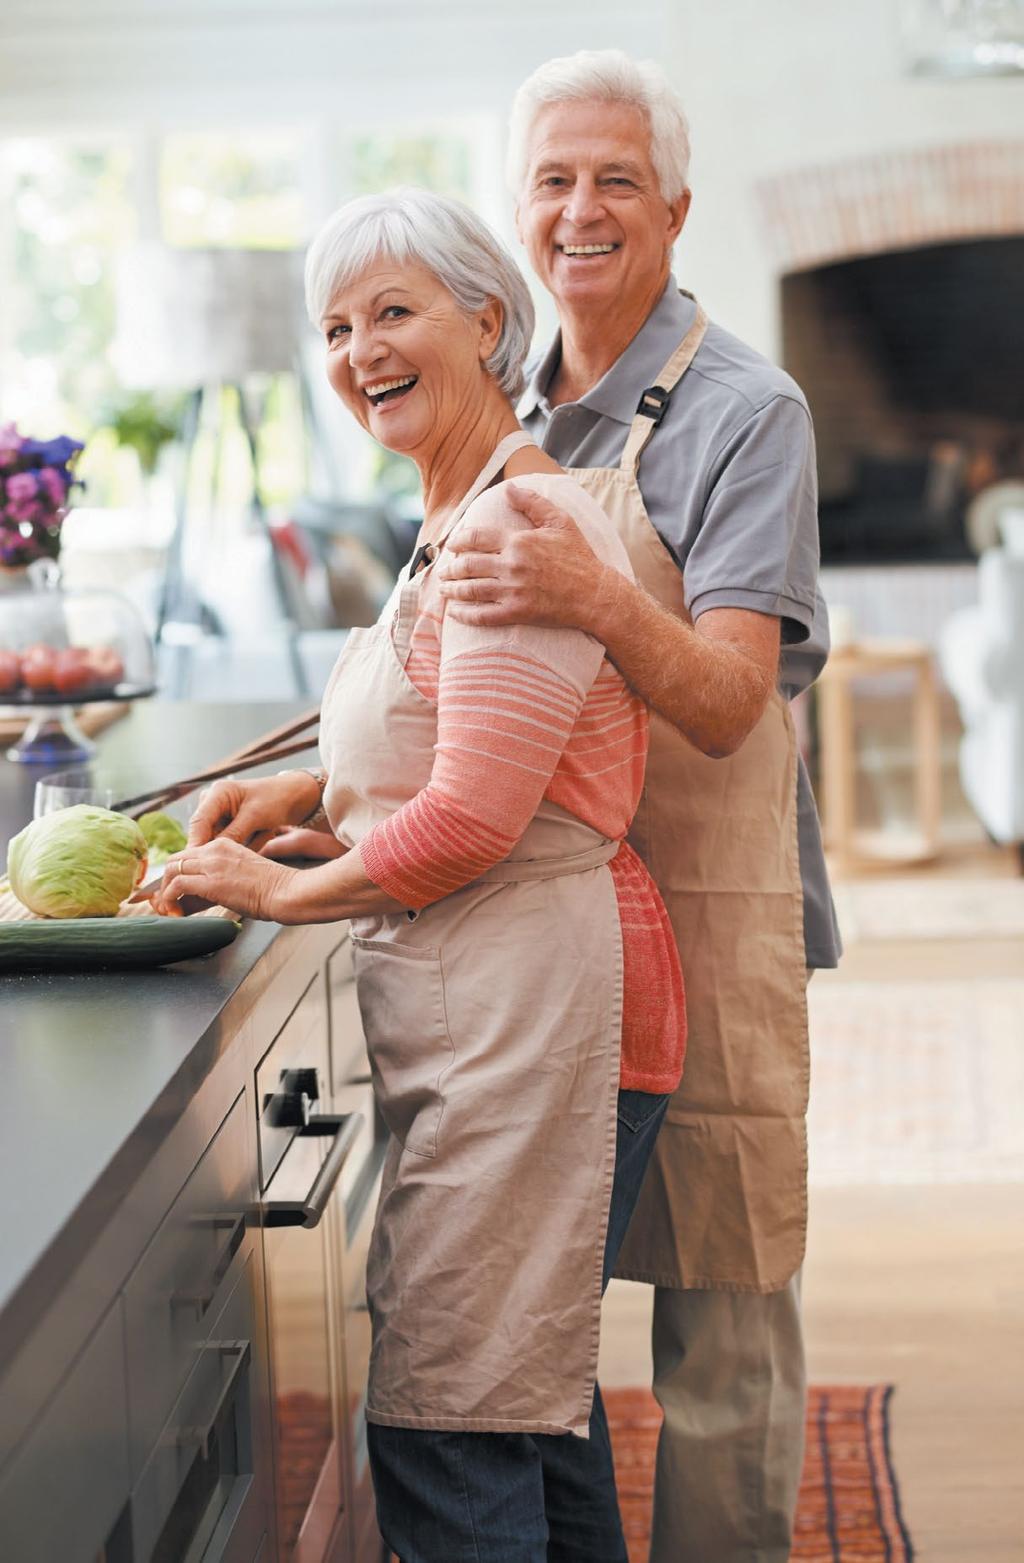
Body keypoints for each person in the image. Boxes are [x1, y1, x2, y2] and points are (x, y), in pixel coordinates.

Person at [143, 187, 686, 1563]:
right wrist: (309, 795)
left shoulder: (514, 527)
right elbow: (450, 735)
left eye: (396, 312)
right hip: (512, 1003)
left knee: (454, 1423)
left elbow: (471, 825)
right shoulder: (452, 514)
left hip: (547, 1010)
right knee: (523, 1406)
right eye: (336, 326)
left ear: (489, 323)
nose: (361, 349)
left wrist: (273, 891)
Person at [438, 50, 841, 1563]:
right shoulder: (506, 398)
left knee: (721, 1319)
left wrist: (589, 592)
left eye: (616, 179)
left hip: (709, 903)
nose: (581, 210)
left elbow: (734, 702)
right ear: (518, 209)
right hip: (539, 914)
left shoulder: (753, 411)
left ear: (674, 210)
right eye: (552, 179)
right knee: (524, 1304)